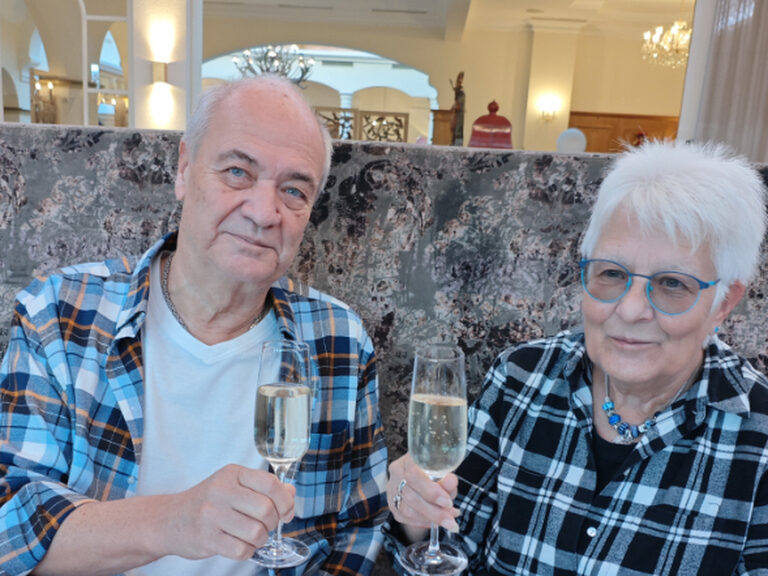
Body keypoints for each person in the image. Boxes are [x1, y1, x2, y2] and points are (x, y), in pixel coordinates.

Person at [0, 75, 388, 576]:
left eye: (293, 190)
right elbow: (9, 527)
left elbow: (361, 528)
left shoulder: (340, 341)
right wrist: (177, 521)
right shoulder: (60, 315)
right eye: (237, 172)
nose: (264, 212)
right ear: (185, 169)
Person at [384, 141, 768, 575]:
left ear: (723, 302)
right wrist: (414, 517)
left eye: (672, 284)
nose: (630, 310)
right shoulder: (521, 378)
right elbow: (451, 547)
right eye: (611, 274)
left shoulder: (759, 436)